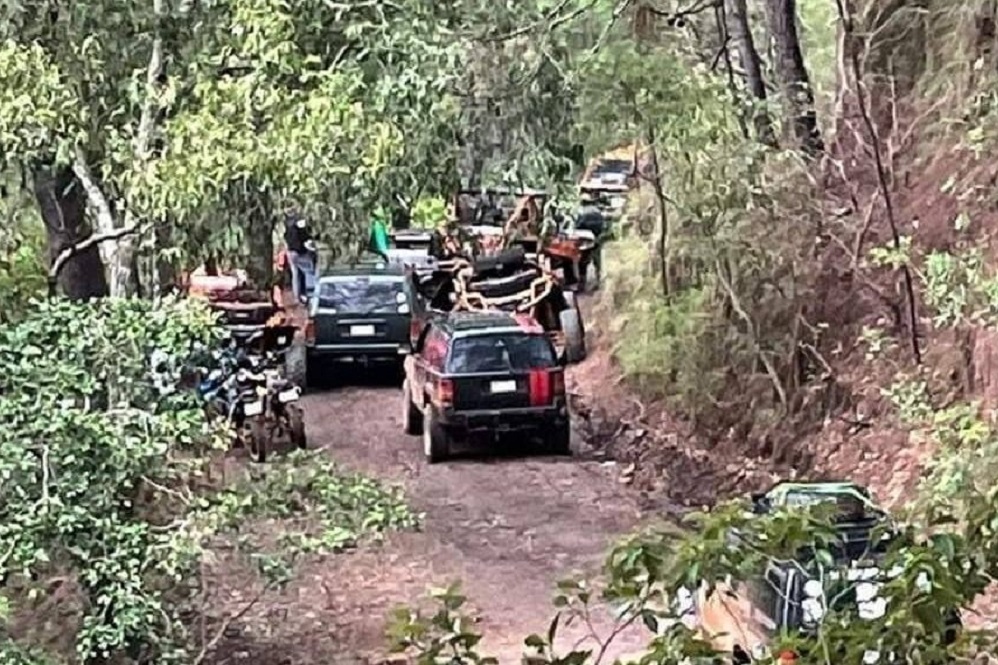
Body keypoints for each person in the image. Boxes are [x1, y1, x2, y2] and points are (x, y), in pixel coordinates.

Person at [575, 193, 607, 289]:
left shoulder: (581, 212)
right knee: (597, 261)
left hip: (585, 240)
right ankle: (598, 281)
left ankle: (582, 283)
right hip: (597, 239)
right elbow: (603, 226)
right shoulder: (597, 211)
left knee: (583, 262)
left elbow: (578, 225)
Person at [284, 213, 316, 303]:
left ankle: (297, 296)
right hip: (300, 253)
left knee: (296, 275)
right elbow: (305, 239)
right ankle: (309, 293)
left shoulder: (289, 229)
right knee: (307, 272)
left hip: (291, 252)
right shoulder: (300, 229)